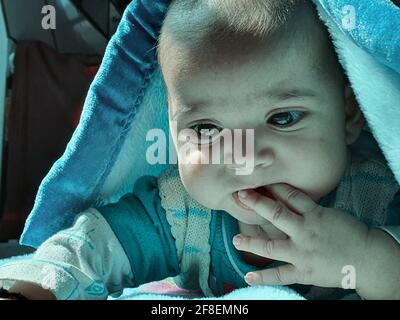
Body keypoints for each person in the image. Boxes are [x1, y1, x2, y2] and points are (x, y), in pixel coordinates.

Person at [1, 0, 399, 300]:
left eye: (283, 118)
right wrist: (40, 283)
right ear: (172, 132)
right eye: (206, 129)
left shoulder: (378, 198)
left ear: (349, 113)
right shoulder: (178, 213)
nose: (244, 157)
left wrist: (365, 258)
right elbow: (92, 246)